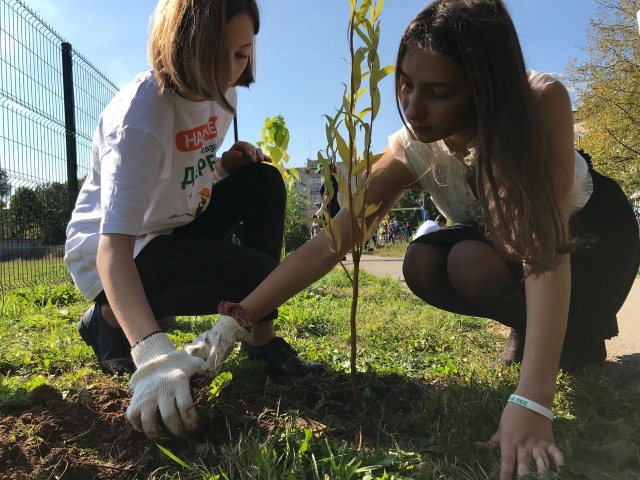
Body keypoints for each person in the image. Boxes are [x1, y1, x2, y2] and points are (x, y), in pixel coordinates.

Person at [189, 1, 639, 477]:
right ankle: (538, 330)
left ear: (484, 87)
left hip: (591, 241)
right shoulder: (411, 146)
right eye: (404, 83)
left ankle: (577, 332)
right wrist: (232, 324)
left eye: (439, 91)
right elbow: (327, 244)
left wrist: (532, 401)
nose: (413, 107)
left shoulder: (537, 102)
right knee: (427, 260)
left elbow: (544, 252)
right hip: (508, 249)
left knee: (475, 261)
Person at [64, 0, 322, 440]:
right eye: (213, 56)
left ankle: (259, 341)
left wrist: (222, 168)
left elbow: (183, 172)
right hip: (117, 252)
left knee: (263, 181)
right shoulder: (140, 120)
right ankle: (107, 316)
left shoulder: (224, 95)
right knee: (259, 277)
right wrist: (154, 355)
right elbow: (114, 249)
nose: (227, 73)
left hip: (170, 226)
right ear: (179, 46)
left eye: (241, 55)